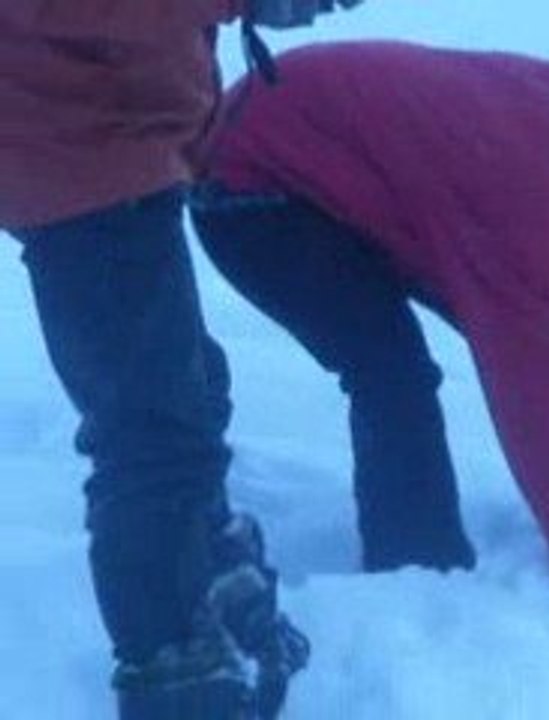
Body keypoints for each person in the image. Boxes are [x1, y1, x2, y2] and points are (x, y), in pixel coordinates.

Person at [189, 40, 549, 646]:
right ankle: (418, 577)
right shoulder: (539, 198)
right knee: (393, 374)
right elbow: (545, 397)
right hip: (256, 179)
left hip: (381, 185)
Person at [0, 2, 367, 718]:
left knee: (189, 391)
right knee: (151, 430)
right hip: (74, 145)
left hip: (112, 137)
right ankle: (170, 666)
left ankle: (205, 576)